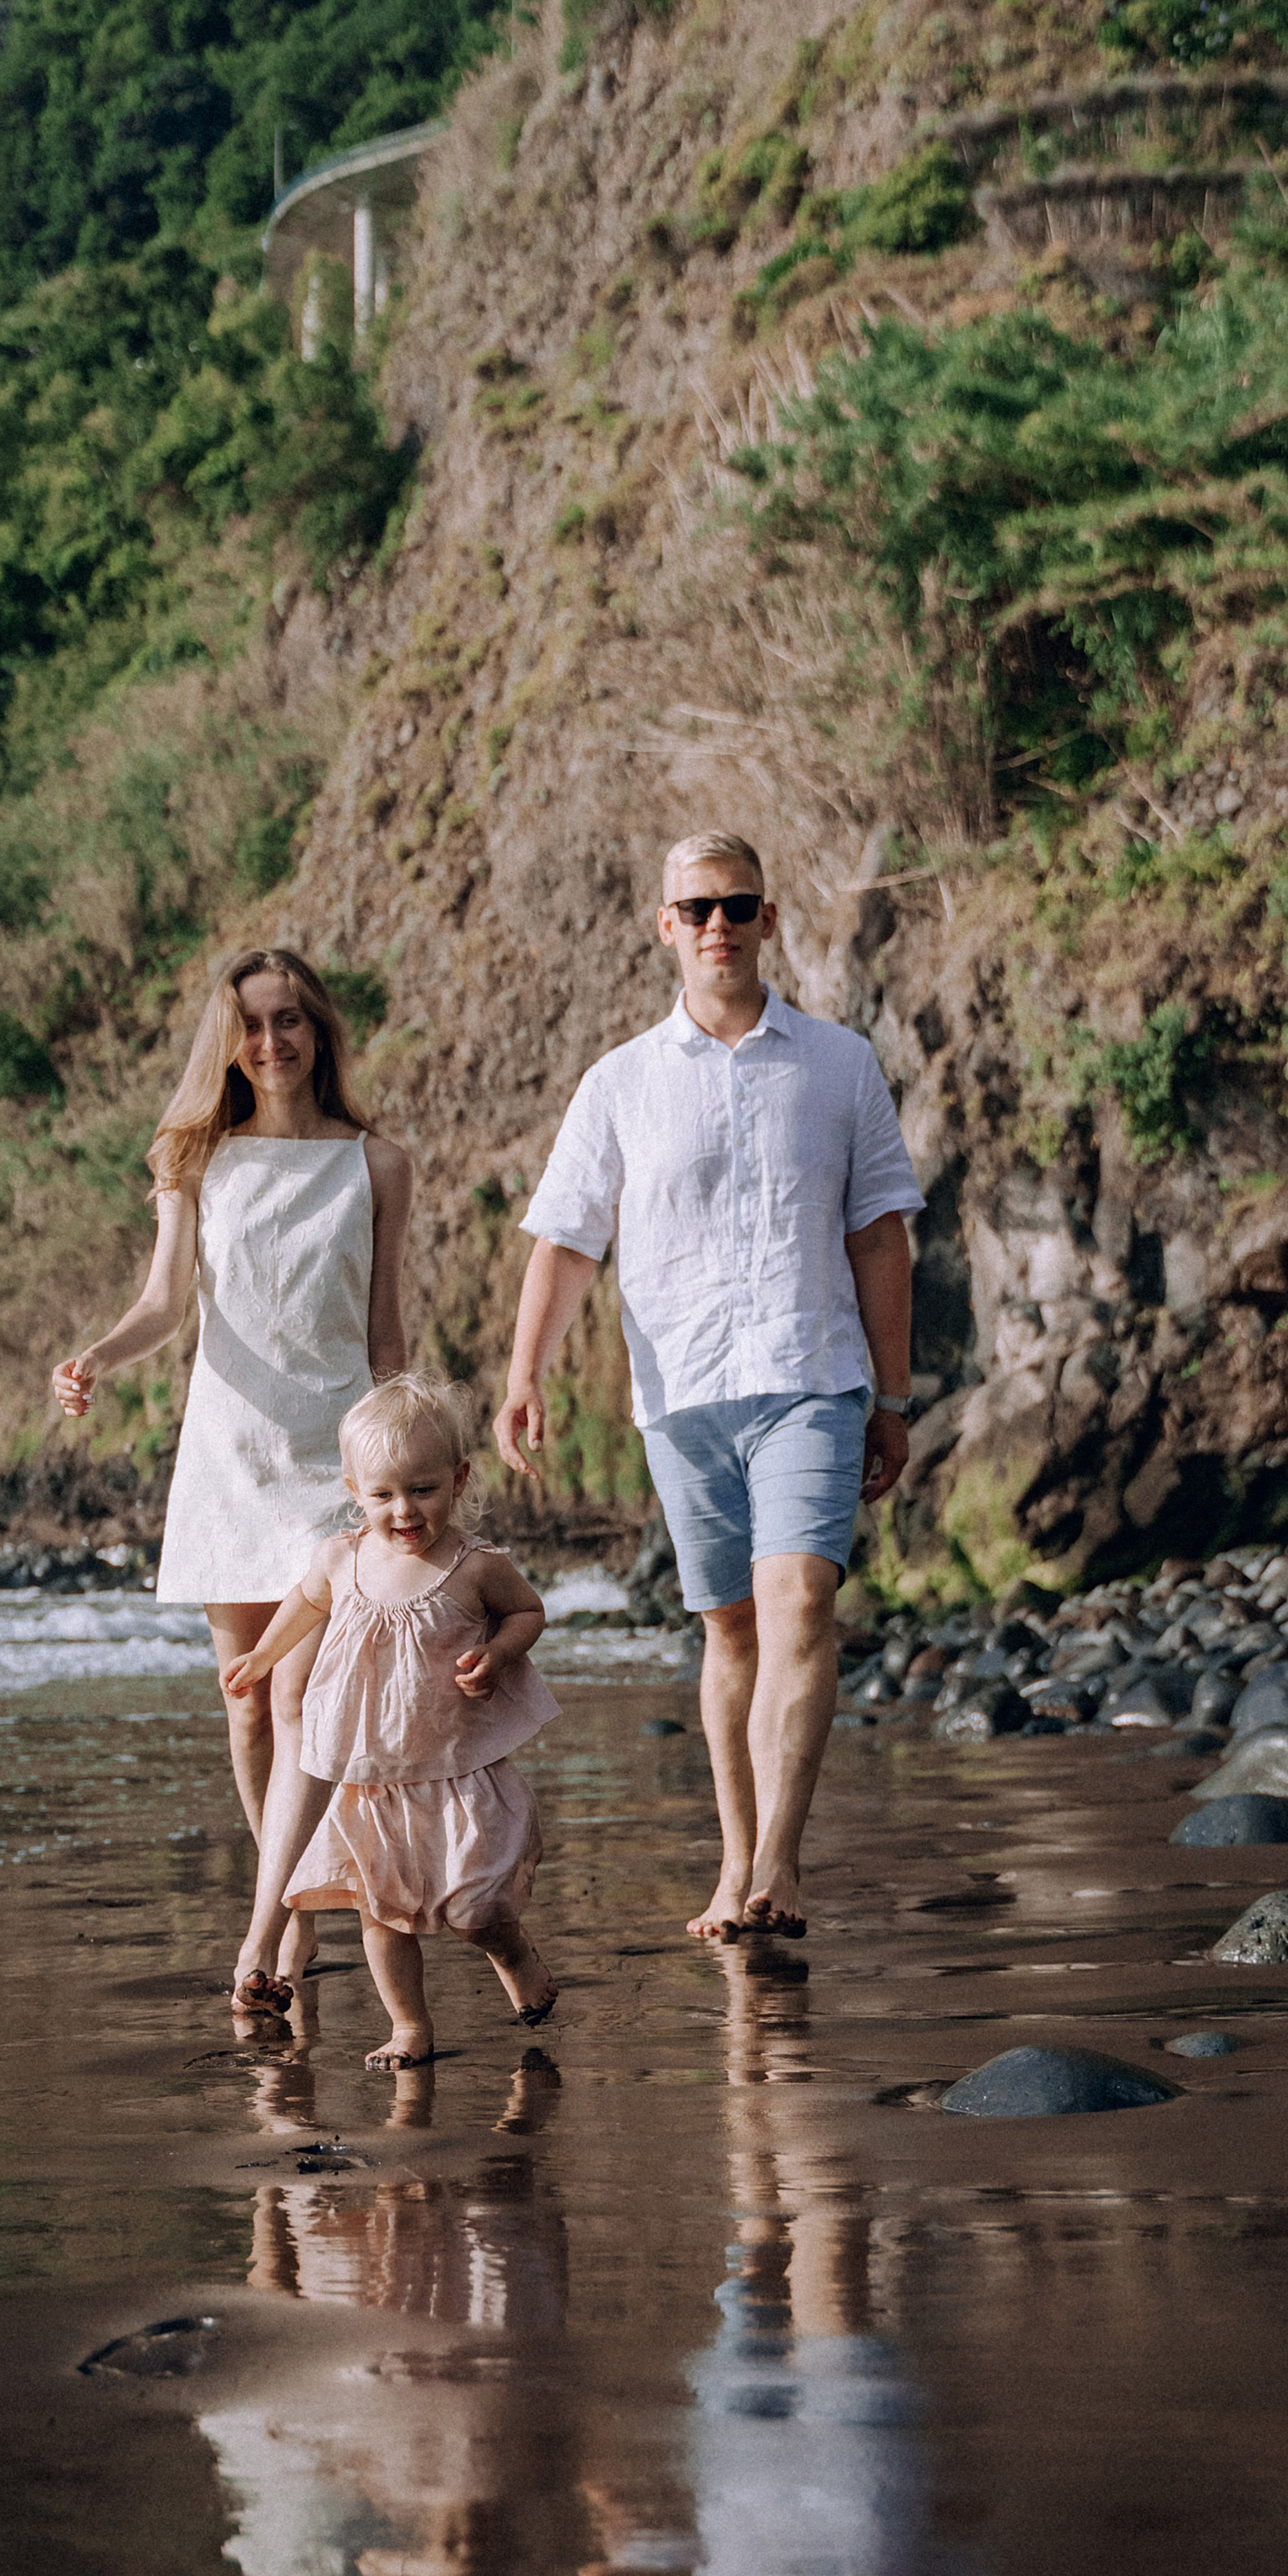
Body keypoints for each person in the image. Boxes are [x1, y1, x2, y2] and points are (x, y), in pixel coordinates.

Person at [494, 829, 920, 1943]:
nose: (717, 926)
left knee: (800, 1605)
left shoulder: (842, 1064)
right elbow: (568, 1243)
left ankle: (781, 1859)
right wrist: (524, 1374)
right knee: (730, 1629)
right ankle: (734, 1863)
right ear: (665, 928)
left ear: (769, 919)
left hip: (810, 1373)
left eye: (737, 906)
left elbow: (881, 1238)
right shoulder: (619, 1082)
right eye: (696, 910)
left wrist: (895, 1394)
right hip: (680, 1389)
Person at [50, 947, 412, 2005]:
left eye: (292, 1019)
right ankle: (293, 1891)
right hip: (229, 1456)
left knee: (299, 1687)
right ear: (229, 1042)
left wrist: (408, 1464)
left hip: (334, 1458)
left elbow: (385, 1327)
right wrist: (96, 1361)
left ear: (321, 1031)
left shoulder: (375, 1163)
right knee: (247, 1703)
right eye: (253, 1025)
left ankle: (271, 1931)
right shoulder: (193, 1158)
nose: (274, 1041)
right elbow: (165, 1302)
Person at [221, 1374, 560, 2065]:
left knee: (477, 1909)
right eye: (382, 1495)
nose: (403, 1511)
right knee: (381, 1913)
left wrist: (499, 1650)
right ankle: (409, 2027)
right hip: (370, 1778)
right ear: (354, 1490)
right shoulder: (341, 1558)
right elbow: (306, 1604)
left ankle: (514, 1952)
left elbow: (529, 1611)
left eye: (422, 1490)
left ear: (459, 1479)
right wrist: (262, 1655)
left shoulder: (473, 1567)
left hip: (456, 1774)